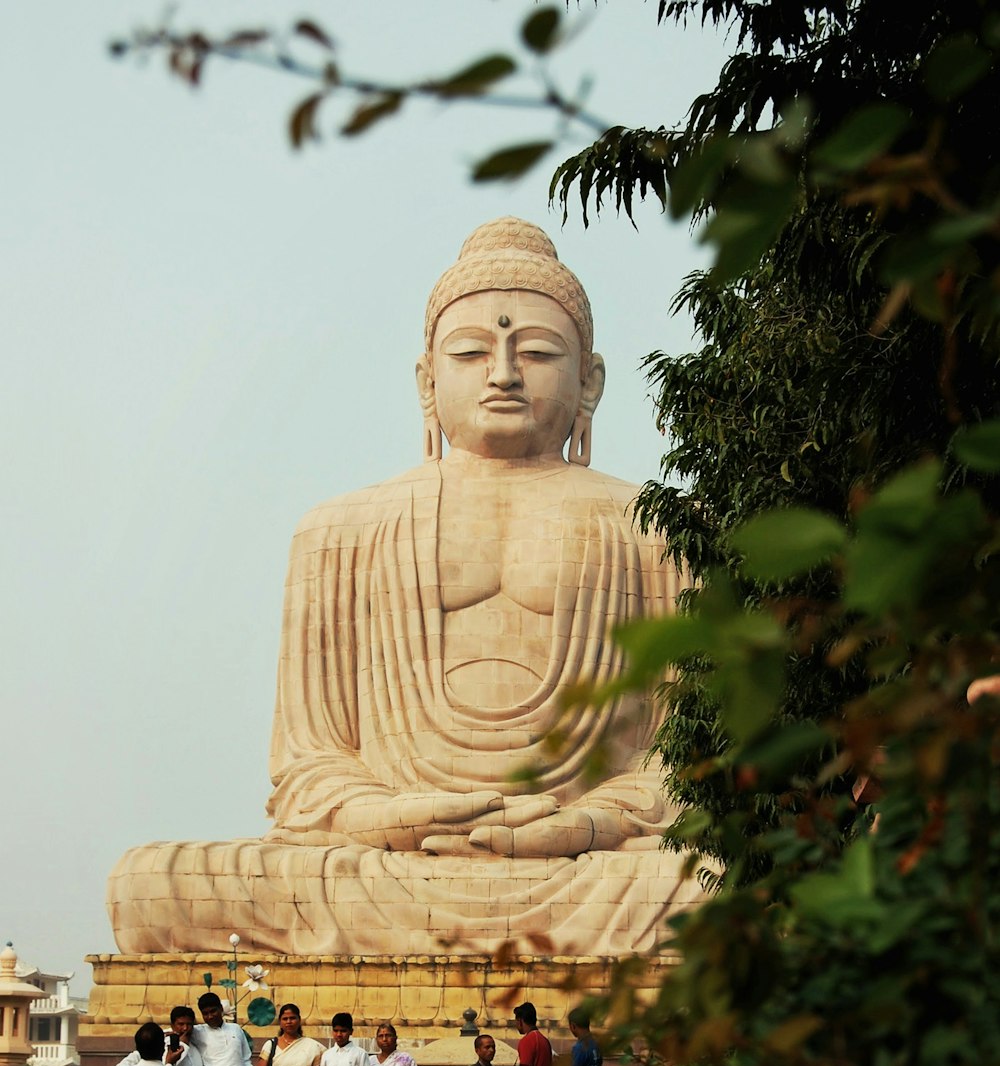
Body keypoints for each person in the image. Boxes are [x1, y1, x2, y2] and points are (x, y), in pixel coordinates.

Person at [108, 217, 701, 961]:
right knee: (149, 885)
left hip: (590, 868)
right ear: (428, 380)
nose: (504, 372)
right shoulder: (339, 529)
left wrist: (587, 825)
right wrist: (395, 817)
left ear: (590, 379)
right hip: (390, 861)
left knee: (715, 881)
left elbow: (688, 763)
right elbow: (308, 769)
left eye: (540, 352)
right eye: (471, 351)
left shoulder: (663, 530)